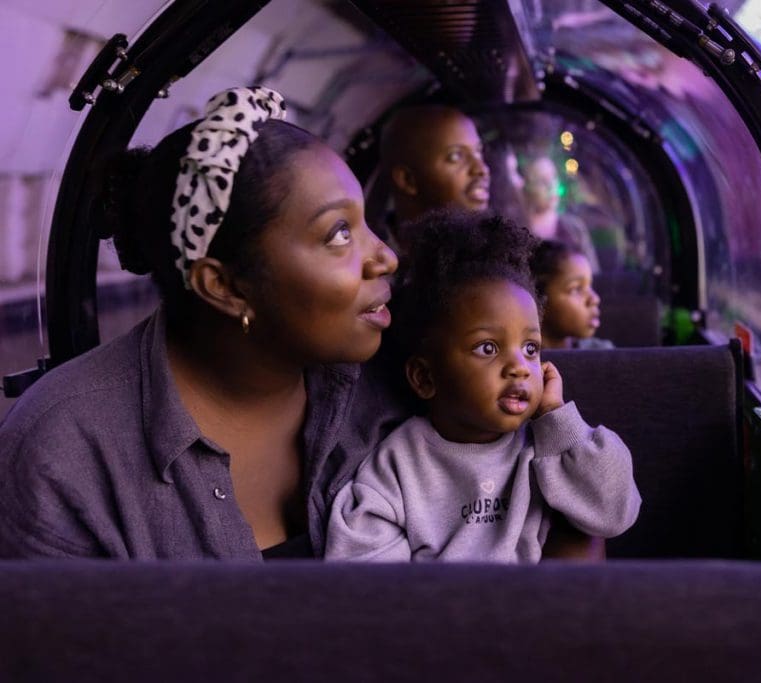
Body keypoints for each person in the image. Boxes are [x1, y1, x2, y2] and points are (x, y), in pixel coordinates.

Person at [0, 86, 400, 559]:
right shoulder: (63, 455)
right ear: (223, 287)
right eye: (339, 234)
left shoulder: (405, 378)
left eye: (366, 223)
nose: (386, 258)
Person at [325, 209, 640, 563]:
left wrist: (557, 419)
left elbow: (615, 514)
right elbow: (364, 570)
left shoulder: (549, 448)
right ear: (425, 378)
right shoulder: (398, 464)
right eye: (487, 348)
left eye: (530, 348)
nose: (519, 368)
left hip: (543, 612)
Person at [378, 104, 490, 254]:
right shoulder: (377, 267)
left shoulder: (492, 250)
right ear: (407, 180)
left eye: (478, 152)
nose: (481, 169)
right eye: (455, 156)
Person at [521, 155, 600, 272]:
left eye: (553, 178)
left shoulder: (574, 228)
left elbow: (592, 274)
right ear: (525, 187)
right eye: (542, 181)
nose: (551, 187)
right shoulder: (518, 229)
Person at [531, 240, 613, 350]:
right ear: (537, 299)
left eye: (590, 286)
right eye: (576, 289)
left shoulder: (604, 353)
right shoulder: (522, 364)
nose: (595, 299)